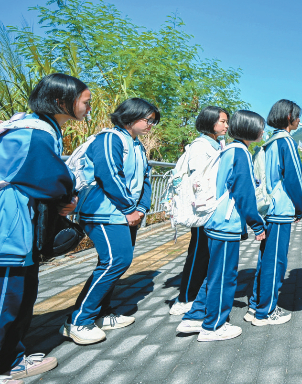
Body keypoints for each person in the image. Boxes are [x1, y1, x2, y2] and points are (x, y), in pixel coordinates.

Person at [0, 73, 88, 382]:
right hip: (11, 228)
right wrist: (70, 194)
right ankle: (6, 364)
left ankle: (12, 356)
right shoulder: (34, 134)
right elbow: (52, 179)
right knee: (9, 298)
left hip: (17, 225)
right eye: (85, 101)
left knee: (19, 294)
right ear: (61, 101)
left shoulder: (31, 126)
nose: (88, 107)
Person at [61, 98, 158, 345]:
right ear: (129, 116)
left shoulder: (136, 145)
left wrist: (141, 209)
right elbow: (109, 175)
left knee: (114, 262)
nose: (151, 125)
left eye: (153, 121)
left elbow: (146, 178)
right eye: (147, 119)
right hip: (102, 212)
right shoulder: (110, 139)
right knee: (116, 261)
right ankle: (78, 320)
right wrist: (129, 208)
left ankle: (101, 313)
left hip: (125, 214)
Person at [176, 110, 266, 342]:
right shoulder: (241, 152)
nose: (262, 132)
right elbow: (244, 193)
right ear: (248, 128)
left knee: (214, 274)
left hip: (216, 221)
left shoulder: (228, 149)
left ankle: (195, 316)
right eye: (260, 127)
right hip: (226, 223)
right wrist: (257, 224)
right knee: (225, 277)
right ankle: (214, 326)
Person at [245, 100, 302, 326]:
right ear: (289, 116)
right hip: (280, 210)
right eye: (297, 116)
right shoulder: (286, 142)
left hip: (268, 208)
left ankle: (255, 304)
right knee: (276, 262)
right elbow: (295, 179)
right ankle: (266, 311)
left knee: (265, 259)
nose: (299, 120)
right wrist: (300, 207)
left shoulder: (269, 143)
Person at [169, 106, 229, 316]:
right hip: (203, 209)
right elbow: (199, 179)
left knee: (204, 252)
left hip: (211, 207)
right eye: (222, 121)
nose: (226, 125)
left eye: (226, 121)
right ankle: (185, 298)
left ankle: (195, 295)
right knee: (198, 252)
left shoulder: (216, 144)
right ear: (210, 122)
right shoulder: (200, 146)